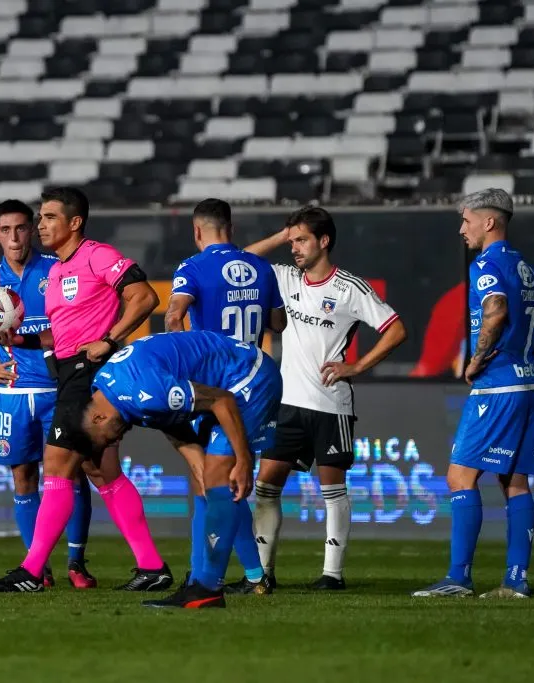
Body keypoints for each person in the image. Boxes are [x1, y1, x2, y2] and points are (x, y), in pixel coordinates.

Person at [0, 186, 172, 593]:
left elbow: (144, 296)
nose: (41, 224)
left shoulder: (97, 255)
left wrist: (111, 340)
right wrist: (20, 341)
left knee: (55, 466)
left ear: (75, 222)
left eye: (49, 217)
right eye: (42, 217)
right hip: (70, 371)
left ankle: (33, 571)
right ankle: (152, 566)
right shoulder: (55, 272)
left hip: (92, 374)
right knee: (100, 470)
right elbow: (60, 336)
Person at [413, 188, 534, 599]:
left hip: (497, 386)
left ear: (489, 222)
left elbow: (496, 310)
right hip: (529, 384)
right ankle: (515, 580)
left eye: (466, 220)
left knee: (459, 476)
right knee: (515, 483)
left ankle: (458, 577)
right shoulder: (524, 266)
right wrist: (530, 354)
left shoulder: (486, 264)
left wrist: (477, 360)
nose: (461, 228)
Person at [244, 206, 407, 590]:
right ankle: (263, 575)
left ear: (324, 241)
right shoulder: (286, 278)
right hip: (285, 402)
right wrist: (282, 235)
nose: (294, 248)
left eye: (301, 240)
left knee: (332, 489)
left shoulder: (350, 288)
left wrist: (358, 366)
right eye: (292, 240)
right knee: (266, 486)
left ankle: (332, 575)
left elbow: (396, 329)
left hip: (330, 405)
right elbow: (243, 260)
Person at [0, 199, 96, 587]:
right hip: (14, 394)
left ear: (31, 230)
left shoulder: (57, 270)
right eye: (6, 230)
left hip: (59, 389)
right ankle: (38, 568)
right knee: (23, 478)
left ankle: (76, 563)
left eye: (21, 228)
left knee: (73, 475)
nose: (15, 237)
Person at [82, 330, 282, 609]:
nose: (117, 440)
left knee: (216, 478)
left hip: (248, 375)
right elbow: (166, 418)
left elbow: (221, 400)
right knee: (202, 481)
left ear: (98, 417)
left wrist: (244, 458)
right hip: (222, 380)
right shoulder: (107, 388)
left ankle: (208, 587)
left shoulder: (143, 393)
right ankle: (202, 583)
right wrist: (193, 458)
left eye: (108, 438)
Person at [164, 198, 285, 594]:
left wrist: (183, 352)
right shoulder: (261, 268)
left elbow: (172, 314)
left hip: (216, 384)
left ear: (197, 231)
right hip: (254, 379)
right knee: (207, 480)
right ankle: (227, 574)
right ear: (229, 229)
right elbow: (278, 321)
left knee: (216, 481)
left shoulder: (192, 267)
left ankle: (225, 577)